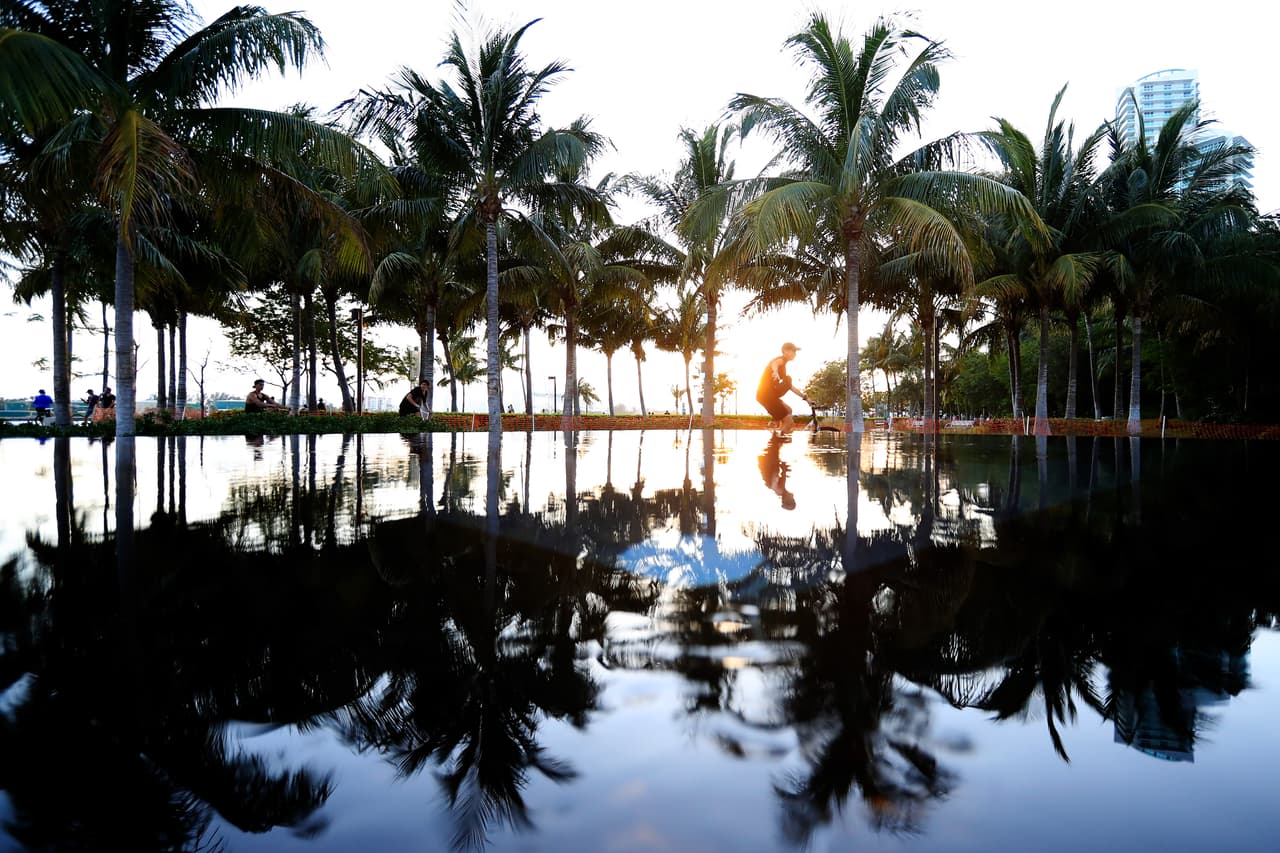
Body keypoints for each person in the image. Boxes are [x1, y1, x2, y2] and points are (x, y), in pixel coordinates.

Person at [756, 342, 810, 432]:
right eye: (793, 351)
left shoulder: (784, 368)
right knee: (789, 422)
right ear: (785, 351)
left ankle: (777, 430)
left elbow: (790, 386)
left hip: (768, 395)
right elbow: (775, 363)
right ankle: (778, 438)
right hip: (767, 395)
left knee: (789, 410)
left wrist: (805, 397)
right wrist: (775, 371)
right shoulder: (781, 359)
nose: (795, 354)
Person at [758, 433, 796, 510]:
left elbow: (776, 473)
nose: (793, 497)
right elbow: (782, 473)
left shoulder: (780, 489)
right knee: (775, 444)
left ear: (787, 499)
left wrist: (782, 466)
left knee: (775, 444)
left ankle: (776, 431)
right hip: (769, 463)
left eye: (792, 499)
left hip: (769, 463)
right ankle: (777, 433)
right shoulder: (780, 490)